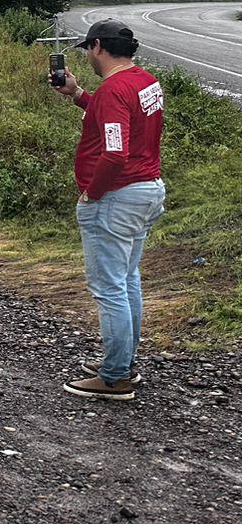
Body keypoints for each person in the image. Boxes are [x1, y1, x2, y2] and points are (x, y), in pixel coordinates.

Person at [52, 20, 165, 401]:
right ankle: (122, 362)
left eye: (87, 49)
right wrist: (78, 94)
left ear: (98, 46)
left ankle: (115, 377)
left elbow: (115, 150)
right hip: (146, 189)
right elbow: (116, 118)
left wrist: (92, 193)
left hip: (116, 198)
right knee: (127, 278)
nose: (86, 56)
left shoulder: (115, 90)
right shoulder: (144, 81)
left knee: (110, 287)